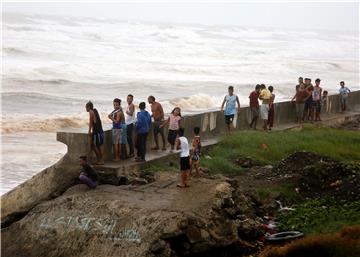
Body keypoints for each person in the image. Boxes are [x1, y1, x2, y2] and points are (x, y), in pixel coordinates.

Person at [85, 101, 104, 165]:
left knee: (94, 146)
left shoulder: (91, 112)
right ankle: (101, 160)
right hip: (99, 131)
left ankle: (100, 160)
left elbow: (91, 122)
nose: (86, 109)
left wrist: (89, 131)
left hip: (96, 132)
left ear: (89, 107)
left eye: (86, 107)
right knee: (98, 146)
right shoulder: (95, 111)